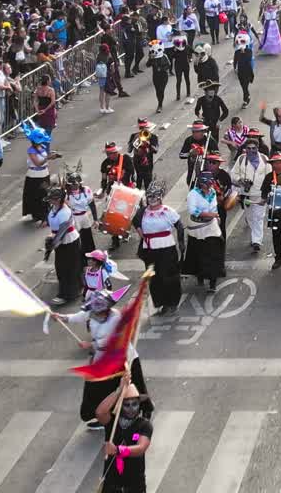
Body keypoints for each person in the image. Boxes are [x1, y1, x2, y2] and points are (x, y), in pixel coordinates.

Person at [53, 290, 126, 430]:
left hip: (113, 361)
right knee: (95, 391)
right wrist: (62, 317)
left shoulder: (116, 318)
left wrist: (92, 345)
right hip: (98, 359)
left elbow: (113, 340)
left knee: (109, 390)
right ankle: (102, 417)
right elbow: (77, 317)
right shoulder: (92, 312)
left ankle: (111, 418)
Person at [93, 372, 154, 493]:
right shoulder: (112, 422)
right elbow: (100, 413)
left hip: (134, 486)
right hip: (111, 485)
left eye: (135, 404)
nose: (132, 409)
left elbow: (141, 448)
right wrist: (118, 391)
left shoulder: (144, 425)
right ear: (120, 406)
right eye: (127, 405)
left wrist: (118, 450)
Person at [132, 180, 183, 316]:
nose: (152, 199)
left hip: (167, 248)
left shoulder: (168, 211)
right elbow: (135, 221)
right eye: (150, 196)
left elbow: (179, 225)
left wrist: (181, 243)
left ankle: (172, 302)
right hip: (149, 250)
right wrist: (141, 233)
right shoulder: (142, 212)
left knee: (169, 276)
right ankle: (160, 303)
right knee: (154, 278)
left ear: (160, 197)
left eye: (155, 196)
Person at [182, 172, 225, 292]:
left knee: (214, 252)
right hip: (197, 228)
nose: (211, 184)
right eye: (208, 182)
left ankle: (213, 282)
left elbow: (214, 207)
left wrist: (216, 217)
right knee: (198, 253)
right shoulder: (193, 194)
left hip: (211, 226)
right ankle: (200, 276)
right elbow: (193, 210)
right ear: (202, 183)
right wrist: (210, 214)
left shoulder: (212, 192)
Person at [231, 139, 271, 255]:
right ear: (245, 149)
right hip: (246, 194)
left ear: (258, 148)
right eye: (249, 148)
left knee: (258, 217)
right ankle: (255, 236)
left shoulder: (264, 159)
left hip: (260, 194)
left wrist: (267, 194)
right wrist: (240, 180)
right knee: (249, 217)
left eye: (254, 148)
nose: (251, 151)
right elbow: (233, 174)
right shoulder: (241, 159)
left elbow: (269, 177)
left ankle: (256, 241)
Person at [46, 186, 83, 305]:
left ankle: (67, 294)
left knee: (68, 269)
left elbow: (61, 234)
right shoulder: (54, 208)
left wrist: (53, 244)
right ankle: (74, 289)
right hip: (61, 241)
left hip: (68, 242)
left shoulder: (64, 213)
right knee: (62, 268)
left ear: (58, 199)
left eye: (52, 198)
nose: (50, 201)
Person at [22, 122, 55, 225]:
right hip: (35, 177)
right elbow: (37, 163)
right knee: (37, 196)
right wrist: (47, 158)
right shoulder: (31, 150)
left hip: (44, 175)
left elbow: (44, 161)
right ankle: (39, 216)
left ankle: (45, 216)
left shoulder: (43, 147)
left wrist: (52, 157)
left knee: (46, 195)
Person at [66, 171, 99, 255]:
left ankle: (92, 255)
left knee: (88, 237)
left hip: (84, 216)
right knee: (76, 239)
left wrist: (95, 220)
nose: (75, 186)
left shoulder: (86, 190)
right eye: (73, 185)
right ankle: (79, 258)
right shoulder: (66, 195)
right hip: (74, 218)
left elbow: (92, 205)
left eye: (77, 184)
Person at [147, 40, 171, 114]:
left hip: (164, 76)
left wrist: (162, 68)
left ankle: (160, 105)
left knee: (161, 90)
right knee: (158, 91)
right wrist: (151, 58)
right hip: (155, 76)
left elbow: (168, 65)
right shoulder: (152, 56)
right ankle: (159, 102)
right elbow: (147, 65)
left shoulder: (164, 56)